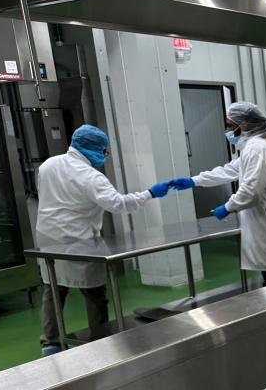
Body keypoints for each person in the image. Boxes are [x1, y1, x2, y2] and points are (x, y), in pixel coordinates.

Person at [35, 125, 174, 356]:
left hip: (48, 238)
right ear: (94, 149)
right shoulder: (90, 176)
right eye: (104, 151)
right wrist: (150, 193)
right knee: (94, 294)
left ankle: (50, 342)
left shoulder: (48, 165)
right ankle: (99, 341)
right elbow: (119, 204)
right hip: (77, 239)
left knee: (53, 289)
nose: (104, 156)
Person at [161, 102, 266, 286]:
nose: (226, 130)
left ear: (244, 125)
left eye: (230, 125)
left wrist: (227, 207)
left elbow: (251, 192)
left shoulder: (256, 150)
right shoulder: (256, 148)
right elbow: (229, 171)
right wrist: (194, 180)